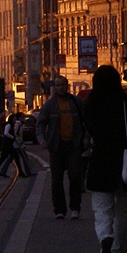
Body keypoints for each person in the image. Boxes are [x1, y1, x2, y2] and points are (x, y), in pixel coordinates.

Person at [84, 65, 127, 253]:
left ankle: (105, 238)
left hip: (101, 160)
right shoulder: (126, 101)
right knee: (124, 211)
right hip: (125, 160)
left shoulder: (91, 103)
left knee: (102, 208)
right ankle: (119, 252)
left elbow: (89, 130)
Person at [36, 75, 87, 219]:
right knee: (57, 179)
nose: (61, 88)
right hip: (56, 146)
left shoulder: (76, 102)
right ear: (54, 87)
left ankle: (75, 208)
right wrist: (42, 140)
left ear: (67, 86)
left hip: (73, 145)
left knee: (75, 177)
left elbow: (86, 122)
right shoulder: (50, 105)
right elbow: (40, 124)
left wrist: (86, 138)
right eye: (58, 85)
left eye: (63, 85)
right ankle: (59, 209)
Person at [0, 113, 30, 179]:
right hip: (7, 146)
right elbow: (5, 133)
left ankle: (20, 172)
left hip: (9, 145)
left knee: (14, 158)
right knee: (3, 159)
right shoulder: (8, 125)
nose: (15, 120)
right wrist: (12, 137)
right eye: (14, 119)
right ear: (11, 119)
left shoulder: (12, 125)